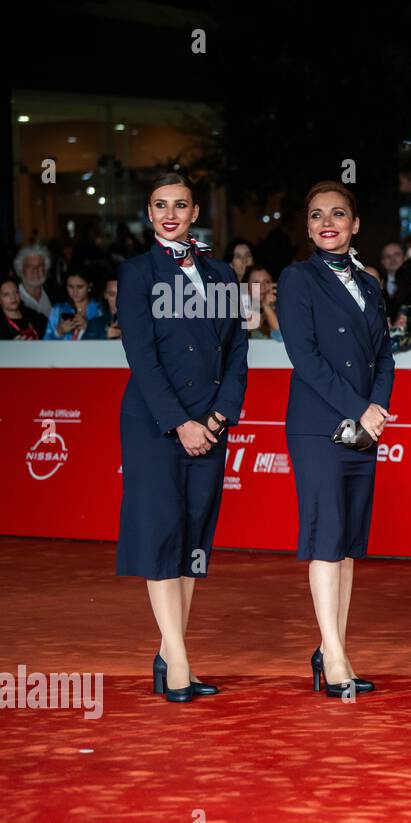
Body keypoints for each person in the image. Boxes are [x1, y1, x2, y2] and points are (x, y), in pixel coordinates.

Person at [115, 171, 249, 703]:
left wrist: (217, 419)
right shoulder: (136, 273)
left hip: (210, 426)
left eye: (180, 205)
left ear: (195, 213)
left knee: (193, 540)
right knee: (162, 536)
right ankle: (178, 662)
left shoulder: (220, 275)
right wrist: (181, 422)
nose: (170, 213)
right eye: (159, 205)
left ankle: (171, 651)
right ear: (150, 214)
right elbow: (142, 359)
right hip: (155, 424)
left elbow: (237, 354)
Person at [277, 181, 395, 699]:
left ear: (355, 224)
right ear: (308, 227)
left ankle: (332, 647)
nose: (328, 223)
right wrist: (358, 408)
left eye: (339, 214)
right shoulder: (297, 279)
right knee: (327, 539)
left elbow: (385, 356)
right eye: (318, 216)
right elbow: (304, 358)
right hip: (319, 425)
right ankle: (336, 655)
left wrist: (377, 410)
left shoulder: (369, 283)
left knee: (346, 543)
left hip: (363, 428)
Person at [44, 270, 108, 340]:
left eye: (80, 287)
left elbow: (108, 340)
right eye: (70, 286)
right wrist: (59, 331)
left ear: (89, 285)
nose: (75, 292)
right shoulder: (58, 310)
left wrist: (89, 328)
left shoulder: (100, 310)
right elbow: (45, 342)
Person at [13, 244, 58, 317]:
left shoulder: (56, 294)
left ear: (45, 269)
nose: (35, 270)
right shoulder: (13, 297)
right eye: (30, 266)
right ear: (21, 270)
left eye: (40, 266)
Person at [244, 265, 282, 340]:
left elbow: (281, 336)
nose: (263, 286)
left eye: (267, 281)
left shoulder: (284, 309)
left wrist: (266, 307)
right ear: (248, 289)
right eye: (256, 283)